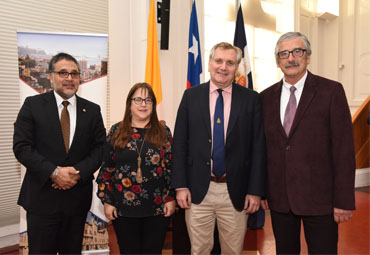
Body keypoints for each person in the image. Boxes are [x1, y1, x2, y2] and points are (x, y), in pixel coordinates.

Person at [260, 32, 356, 254]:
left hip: (321, 199)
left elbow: (343, 150)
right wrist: (263, 191)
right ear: (277, 61)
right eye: (284, 53)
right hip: (280, 199)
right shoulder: (264, 98)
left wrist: (343, 200)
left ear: (308, 56)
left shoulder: (331, 91)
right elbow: (263, 150)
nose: (291, 58)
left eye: (297, 51)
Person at [172, 42, 266, 254]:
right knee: (199, 250)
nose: (223, 67)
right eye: (219, 61)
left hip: (235, 192)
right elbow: (179, 144)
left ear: (237, 68)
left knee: (233, 251)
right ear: (209, 63)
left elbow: (258, 148)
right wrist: (180, 186)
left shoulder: (251, 99)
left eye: (230, 63)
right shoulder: (191, 97)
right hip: (197, 191)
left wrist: (255, 190)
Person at [13, 52, 106, 254]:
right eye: (63, 73)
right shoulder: (32, 105)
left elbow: (100, 149)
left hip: (76, 201)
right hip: (41, 200)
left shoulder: (92, 110)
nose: (69, 78)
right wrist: (54, 172)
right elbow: (22, 147)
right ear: (51, 76)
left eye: (74, 73)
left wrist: (78, 172)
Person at [96, 82, 176, 254]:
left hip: (157, 209)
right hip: (123, 208)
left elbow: (172, 168)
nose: (143, 104)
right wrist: (108, 201)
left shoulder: (164, 132)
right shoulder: (117, 131)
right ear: (129, 103)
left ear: (153, 105)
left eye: (148, 100)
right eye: (138, 99)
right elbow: (107, 168)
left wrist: (171, 198)